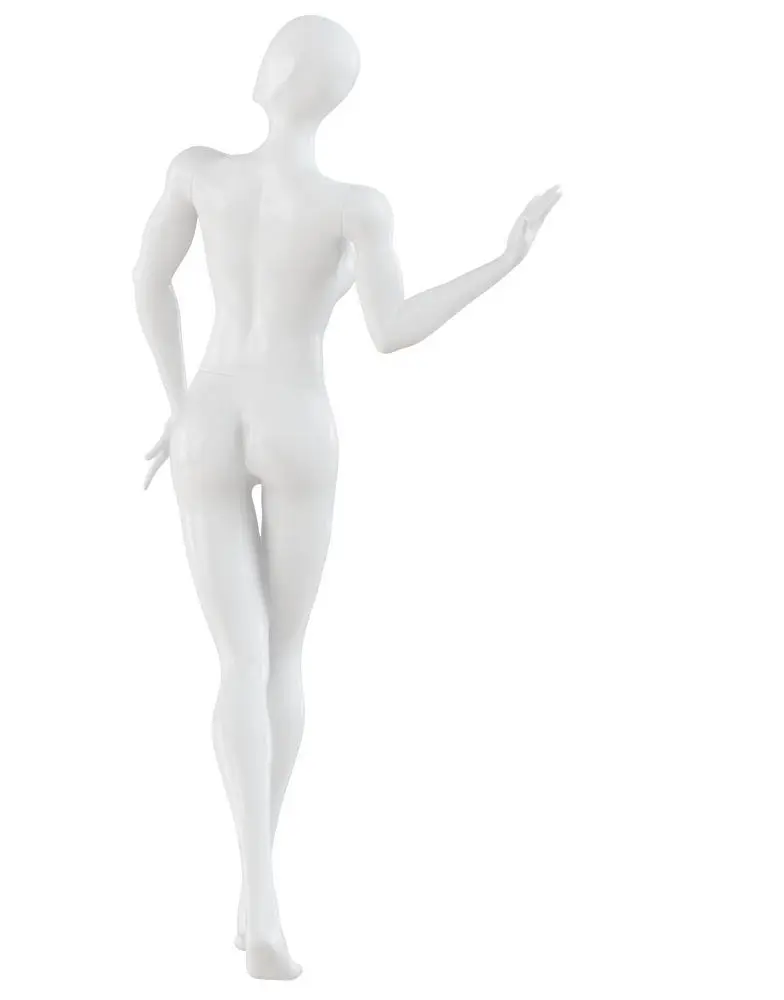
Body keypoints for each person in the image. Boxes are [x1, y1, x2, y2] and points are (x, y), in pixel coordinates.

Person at [132, 15, 560, 980]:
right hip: (297, 420)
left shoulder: (198, 172)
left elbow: (146, 283)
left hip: (212, 414)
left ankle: (257, 894)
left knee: (239, 661)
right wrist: (503, 262)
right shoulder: (355, 206)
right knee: (281, 657)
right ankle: (260, 898)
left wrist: (180, 402)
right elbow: (391, 329)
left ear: (268, 78)